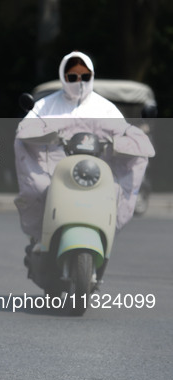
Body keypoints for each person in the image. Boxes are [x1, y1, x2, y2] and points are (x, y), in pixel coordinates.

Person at [14, 50, 155, 248]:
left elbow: (124, 132)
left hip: (97, 173)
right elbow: (25, 130)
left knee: (117, 191)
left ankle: (104, 234)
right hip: (53, 173)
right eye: (72, 76)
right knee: (37, 191)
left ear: (92, 76)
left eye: (85, 76)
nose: (79, 81)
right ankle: (39, 239)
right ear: (63, 77)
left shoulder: (105, 108)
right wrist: (48, 134)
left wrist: (128, 140)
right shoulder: (45, 106)